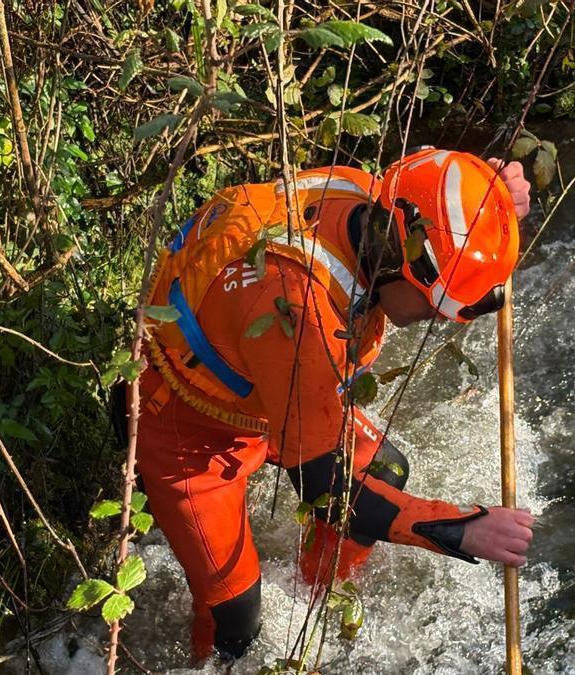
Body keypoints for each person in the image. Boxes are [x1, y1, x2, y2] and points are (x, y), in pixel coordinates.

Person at [129, 147, 535, 662]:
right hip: (188, 428)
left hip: (263, 389)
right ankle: (212, 661)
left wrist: (488, 199)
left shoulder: (374, 198)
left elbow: (440, 195)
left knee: (384, 468)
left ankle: (315, 599)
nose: (434, 319)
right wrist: (462, 529)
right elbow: (325, 487)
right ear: (403, 264)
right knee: (237, 613)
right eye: (436, 305)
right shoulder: (295, 312)